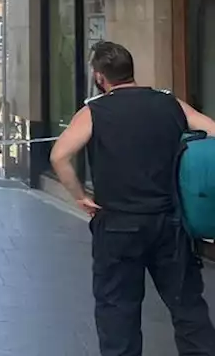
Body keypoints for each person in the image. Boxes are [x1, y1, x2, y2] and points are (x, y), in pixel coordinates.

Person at [49, 41, 215, 356]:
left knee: (118, 313)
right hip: (168, 223)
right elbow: (212, 130)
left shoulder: (94, 111)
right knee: (188, 308)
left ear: (100, 77)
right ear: (130, 70)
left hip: (117, 226)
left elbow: (59, 156)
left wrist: (80, 196)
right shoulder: (170, 104)